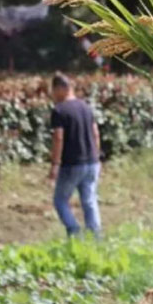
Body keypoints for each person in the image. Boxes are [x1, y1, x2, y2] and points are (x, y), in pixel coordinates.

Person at [49, 73, 102, 238]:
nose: (53, 95)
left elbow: (58, 137)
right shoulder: (86, 107)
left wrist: (55, 164)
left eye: (53, 91)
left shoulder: (59, 110)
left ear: (60, 89)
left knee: (60, 200)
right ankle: (96, 236)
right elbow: (96, 133)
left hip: (72, 164)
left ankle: (74, 231)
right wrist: (97, 157)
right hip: (92, 162)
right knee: (89, 201)